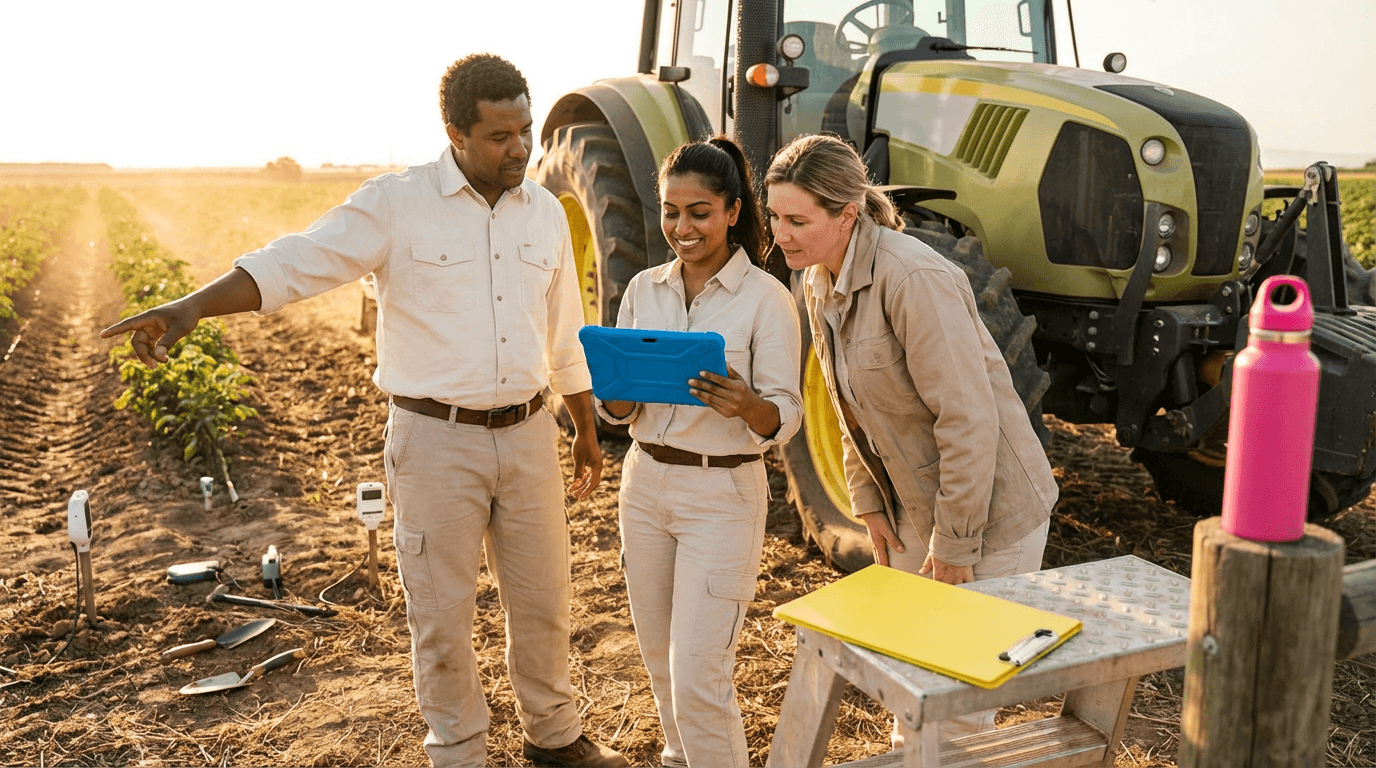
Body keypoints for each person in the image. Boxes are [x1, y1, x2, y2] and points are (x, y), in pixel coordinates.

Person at [100, 54, 627, 768]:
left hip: (529, 432)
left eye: (525, 130)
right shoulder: (397, 203)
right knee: (441, 615)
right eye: (501, 135)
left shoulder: (542, 213)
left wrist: (584, 428)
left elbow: (563, 331)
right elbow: (297, 262)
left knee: (544, 603)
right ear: (455, 132)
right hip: (436, 440)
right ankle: (459, 752)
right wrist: (193, 306)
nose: (519, 148)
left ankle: (554, 738)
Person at [764, 134, 1058, 738]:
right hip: (910, 508)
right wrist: (868, 503)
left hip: (988, 512)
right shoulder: (818, 279)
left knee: (958, 710)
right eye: (774, 216)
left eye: (797, 219)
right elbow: (849, 407)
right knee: (914, 692)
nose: (780, 234)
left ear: (848, 214)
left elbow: (968, 419)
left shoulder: (914, 277)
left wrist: (955, 544)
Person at [596, 137, 802, 768]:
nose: (680, 228)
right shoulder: (642, 289)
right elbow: (621, 412)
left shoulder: (766, 299)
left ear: (733, 211)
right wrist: (618, 397)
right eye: (670, 211)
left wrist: (746, 406)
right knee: (660, 665)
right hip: (645, 484)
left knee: (699, 682)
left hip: (723, 495)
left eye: (699, 213)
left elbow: (785, 415)